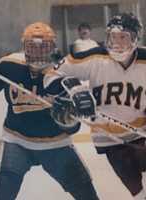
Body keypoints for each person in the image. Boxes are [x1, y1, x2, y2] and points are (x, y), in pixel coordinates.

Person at [0, 22, 99, 200]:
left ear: (53, 47)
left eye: (43, 47)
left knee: (86, 193)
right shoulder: (10, 65)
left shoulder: (64, 74)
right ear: (24, 47)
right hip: (16, 140)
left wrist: (65, 118)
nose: (37, 52)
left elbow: (72, 128)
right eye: (32, 47)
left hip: (55, 144)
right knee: (3, 190)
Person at [44, 13, 146, 200]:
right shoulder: (94, 58)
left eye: (123, 37)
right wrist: (73, 88)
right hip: (110, 139)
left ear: (135, 38)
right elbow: (50, 77)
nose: (117, 42)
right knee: (138, 193)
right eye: (113, 37)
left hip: (141, 133)